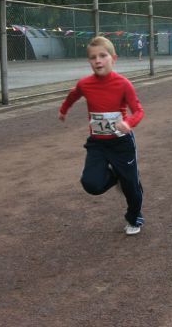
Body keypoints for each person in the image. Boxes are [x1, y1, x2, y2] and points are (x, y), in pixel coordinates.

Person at [58, 36, 145, 235]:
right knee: (91, 184)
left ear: (113, 58)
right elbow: (73, 95)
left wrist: (128, 123)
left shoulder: (123, 84)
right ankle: (115, 176)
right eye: (93, 57)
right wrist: (63, 110)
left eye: (103, 56)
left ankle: (134, 217)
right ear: (89, 61)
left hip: (122, 143)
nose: (97, 60)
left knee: (131, 185)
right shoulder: (85, 84)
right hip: (98, 143)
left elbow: (139, 111)